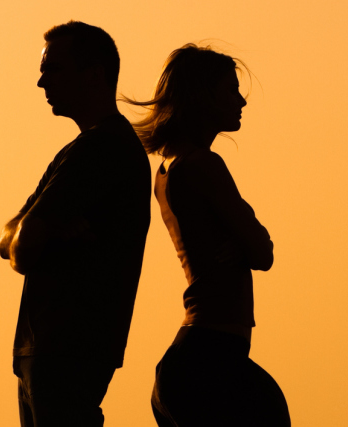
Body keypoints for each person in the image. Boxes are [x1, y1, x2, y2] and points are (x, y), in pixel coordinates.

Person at [125, 44, 290, 427]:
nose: (241, 101)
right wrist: (246, 237)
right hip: (211, 362)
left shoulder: (167, 171)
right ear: (203, 97)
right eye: (230, 90)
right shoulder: (204, 165)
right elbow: (262, 251)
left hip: (192, 360)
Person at [0, 21, 150, 427]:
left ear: (94, 74)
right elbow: (8, 237)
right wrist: (33, 231)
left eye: (54, 69)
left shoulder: (102, 149)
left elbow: (22, 247)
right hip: (52, 350)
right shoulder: (82, 150)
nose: (41, 82)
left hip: (66, 348)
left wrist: (31, 235)